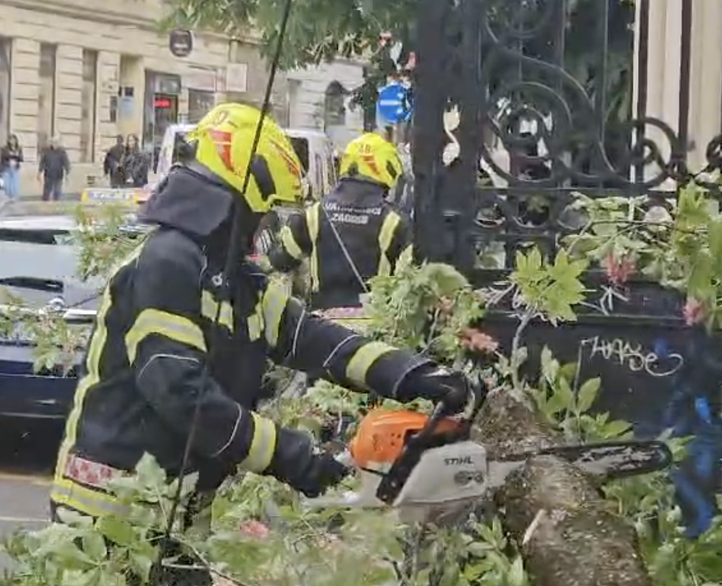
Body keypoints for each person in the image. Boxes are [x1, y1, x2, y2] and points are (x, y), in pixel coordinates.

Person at [49, 103, 475, 584]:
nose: (263, 226)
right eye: (262, 212)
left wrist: (413, 375)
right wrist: (295, 458)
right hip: (110, 520)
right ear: (235, 199)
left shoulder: (234, 282)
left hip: (176, 514)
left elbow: (312, 340)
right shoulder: (168, 264)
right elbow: (179, 391)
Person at [267, 132, 413, 310]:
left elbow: (280, 260)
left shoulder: (314, 213)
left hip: (323, 326)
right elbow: (409, 280)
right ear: (388, 169)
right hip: (374, 325)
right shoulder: (394, 222)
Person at [38, 136, 70, 201]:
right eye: (53, 142)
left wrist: (67, 173)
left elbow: (66, 163)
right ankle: (45, 203)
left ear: (58, 143)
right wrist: (39, 172)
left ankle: (56, 205)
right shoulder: (47, 151)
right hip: (48, 174)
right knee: (46, 191)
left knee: (57, 191)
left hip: (58, 175)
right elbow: (42, 162)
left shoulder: (62, 152)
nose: (54, 144)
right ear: (51, 143)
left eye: (56, 143)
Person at [0, 134, 23, 199]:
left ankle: (14, 197)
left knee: (15, 185)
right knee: (7, 185)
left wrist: (15, 157)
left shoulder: (19, 148)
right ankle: (7, 197)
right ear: (8, 141)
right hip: (6, 168)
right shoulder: (5, 149)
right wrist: (13, 156)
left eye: (14, 140)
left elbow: (21, 158)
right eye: (11, 140)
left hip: (15, 168)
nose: (12, 141)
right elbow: (4, 157)